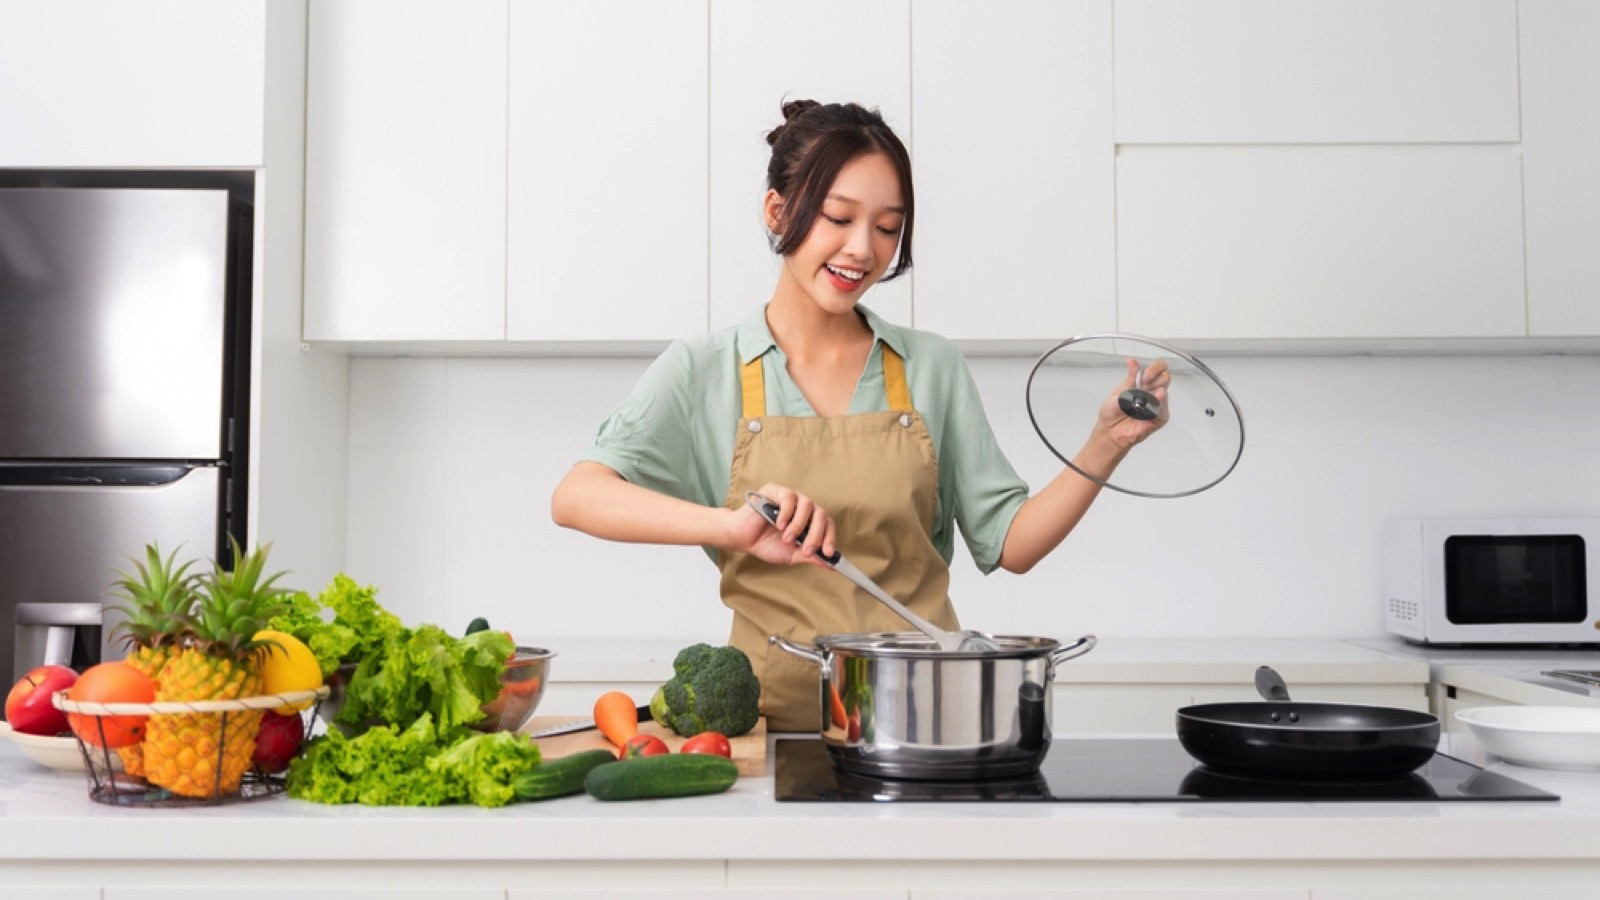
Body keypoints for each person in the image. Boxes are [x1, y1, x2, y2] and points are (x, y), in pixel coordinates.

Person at [551, 100, 1168, 731]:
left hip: (925, 722)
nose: (861, 250)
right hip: (769, 733)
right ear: (777, 211)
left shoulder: (930, 365)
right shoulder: (702, 370)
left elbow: (1010, 543)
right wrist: (729, 527)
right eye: (839, 217)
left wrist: (1104, 445)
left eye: (886, 227)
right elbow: (577, 497)